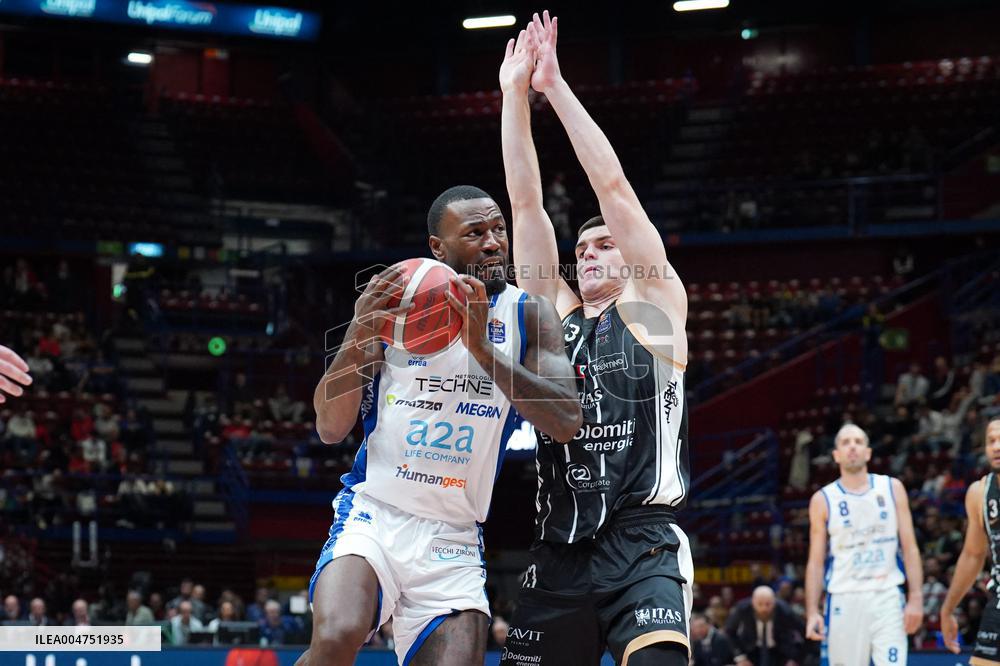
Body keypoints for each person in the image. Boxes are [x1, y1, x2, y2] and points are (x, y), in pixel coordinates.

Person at [298, 182, 582, 666]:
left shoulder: (529, 313)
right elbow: (330, 428)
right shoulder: (399, 306)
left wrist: (482, 349)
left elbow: (566, 420)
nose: (493, 243)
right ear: (438, 246)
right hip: (376, 513)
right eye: (475, 233)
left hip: (453, 534)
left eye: (499, 229)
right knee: (337, 635)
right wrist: (360, 327)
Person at [500, 13, 692, 666]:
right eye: (581, 249)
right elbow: (525, 206)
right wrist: (512, 96)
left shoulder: (653, 306)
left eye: (603, 245)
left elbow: (614, 189)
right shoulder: (559, 317)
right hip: (558, 548)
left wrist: (553, 88)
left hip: (641, 540)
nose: (588, 254)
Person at [804, 424, 924, 665]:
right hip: (844, 597)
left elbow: (910, 548)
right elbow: (815, 562)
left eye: (858, 442)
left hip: (887, 595)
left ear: (868, 453)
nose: (852, 447)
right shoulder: (822, 500)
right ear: (836, 455)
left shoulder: (892, 488)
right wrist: (812, 611)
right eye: (845, 442)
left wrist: (916, 597)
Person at [940, 419, 1000, 661]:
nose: (996, 447)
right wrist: (948, 609)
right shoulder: (979, 493)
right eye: (991, 441)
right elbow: (973, 555)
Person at [724, 587, 803, 666]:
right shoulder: (743, 608)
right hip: (750, 650)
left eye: (768, 604)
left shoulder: (785, 610)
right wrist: (740, 657)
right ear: (753, 602)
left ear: (774, 602)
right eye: (760, 604)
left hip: (781, 652)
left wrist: (795, 659)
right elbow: (729, 631)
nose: (764, 609)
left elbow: (804, 631)